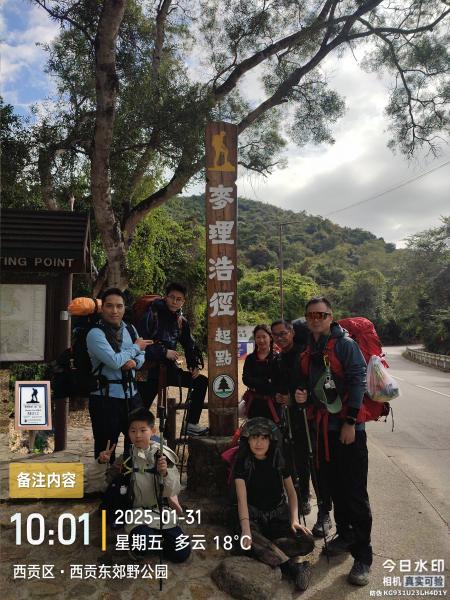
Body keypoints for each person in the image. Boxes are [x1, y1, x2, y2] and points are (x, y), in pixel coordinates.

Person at [295, 296, 372, 586]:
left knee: (354, 493)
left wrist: (351, 422)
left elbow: (358, 380)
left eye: (321, 314)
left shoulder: (345, 345)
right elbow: (313, 387)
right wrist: (302, 396)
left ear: (331, 316)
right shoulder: (311, 347)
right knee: (335, 487)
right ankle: (345, 534)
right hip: (324, 430)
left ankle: (363, 556)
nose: (316, 319)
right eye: (311, 315)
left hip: (348, 429)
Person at [85, 408, 190, 563]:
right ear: (128, 433)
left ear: (153, 431)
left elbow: (173, 490)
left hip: (162, 513)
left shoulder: (162, 456)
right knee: (143, 542)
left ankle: (158, 539)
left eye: (143, 430)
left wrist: (165, 474)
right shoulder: (126, 458)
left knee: (181, 553)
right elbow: (100, 485)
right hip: (137, 515)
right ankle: (145, 542)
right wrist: (101, 463)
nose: (138, 435)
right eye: (133, 431)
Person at [232, 418, 314, 591]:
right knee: (244, 540)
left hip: (278, 518)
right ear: (247, 440)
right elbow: (241, 499)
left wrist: (294, 520)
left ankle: (269, 552)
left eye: (264, 437)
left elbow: (291, 493)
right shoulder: (242, 462)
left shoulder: (280, 459)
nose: (259, 442)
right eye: (254, 437)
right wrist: (246, 530)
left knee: (307, 540)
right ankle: (294, 568)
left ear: (271, 440)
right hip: (253, 519)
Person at [86, 287, 152, 461]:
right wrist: (136, 348)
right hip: (105, 398)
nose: (114, 311)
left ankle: (133, 477)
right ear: (102, 308)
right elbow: (115, 361)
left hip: (132, 396)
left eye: (119, 306)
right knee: (106, 447)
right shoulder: (95, 334)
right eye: (109, 306)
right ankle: (104, 477)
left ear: (124, 308)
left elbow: (142, 354)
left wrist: (135, 362)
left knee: (138, 444)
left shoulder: (130, 329)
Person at [138, 282, 208, 436]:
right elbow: (140, 344)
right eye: (172, 297)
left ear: (183, 301)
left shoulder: (180, 321)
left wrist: (193, 365)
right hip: (147, 371)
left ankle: (191, 424)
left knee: (201, 382)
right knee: (139, 412)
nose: (175, 302)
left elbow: (189, 344)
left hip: (168, 370)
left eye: (179, 299)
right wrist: (164, 352)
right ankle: (131, 447)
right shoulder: (151, 315)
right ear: (166, 297)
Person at [270, 320, 312, 518]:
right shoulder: (278, 359)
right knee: (288, 455)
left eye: (283, 333)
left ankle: (306, 496)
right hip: (287, 414)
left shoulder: (304, 354)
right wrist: (278, 396)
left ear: (292, 332)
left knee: (304, 457)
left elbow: (310, 383)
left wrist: (296, 399)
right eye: (276, 335)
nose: (280, 338)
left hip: (306, 415)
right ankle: (294, 495)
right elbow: (277, 384)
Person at [242, 324, 280, 423]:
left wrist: (256, 383)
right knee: (254, 430)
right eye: (258, 337)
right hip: (254, 404)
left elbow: (277, 381)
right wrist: (266, 381)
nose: (261, 340)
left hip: (273, 405)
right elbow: (246, 379)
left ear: (270, 338)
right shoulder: (250, 359)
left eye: (264, 337)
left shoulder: (277, 358)